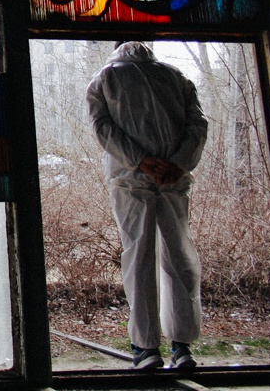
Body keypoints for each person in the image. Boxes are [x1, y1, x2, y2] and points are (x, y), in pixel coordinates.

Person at [86, 41, 208, 371]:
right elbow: (198, 124)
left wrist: (139, 160)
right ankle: (182, 346)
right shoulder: (176, 77)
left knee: (138, 256)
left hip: (130, 180)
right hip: (173, 180)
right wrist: (178, 163)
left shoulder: (105, 78)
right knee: (179, 254)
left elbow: (102, 128)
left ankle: (146, 347)